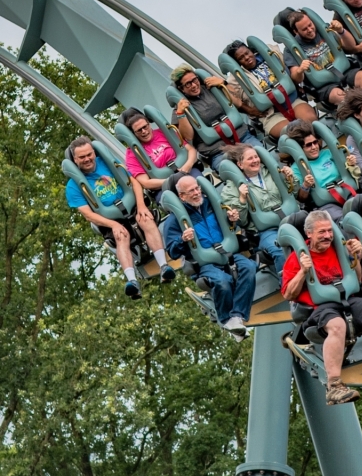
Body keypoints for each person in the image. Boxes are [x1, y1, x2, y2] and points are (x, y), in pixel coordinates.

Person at [281, 210, 362, 403]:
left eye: (329, 231)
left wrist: (355, 256)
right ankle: (334, 386)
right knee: (337, 325)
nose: (327, 236)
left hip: (347, 299)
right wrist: (303, 271)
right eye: (321, 232)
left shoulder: (338, 249)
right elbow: (288, 294)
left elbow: (356, 278)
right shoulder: (297, 257)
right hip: (320, 307)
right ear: (309, 234)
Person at [65, 137, 175, 297]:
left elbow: (133, 182)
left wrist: (141, 205)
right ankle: (132, 281)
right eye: (82, 157)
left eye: (89, 154)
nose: (87, 159)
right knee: (121, 236)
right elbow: (88, 214)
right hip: (109, 219)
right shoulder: (73, 186)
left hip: (132, 205)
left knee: (146, 219)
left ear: (94, 152)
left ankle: (164, 266)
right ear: (75, 159)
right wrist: (113, 225)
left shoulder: (108, 163)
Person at [162, 175, 256, 341]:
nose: (197, 193)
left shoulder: (211, 204)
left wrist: (231, 220)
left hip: (226, 252)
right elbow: (172, 252)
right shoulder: (174, 220)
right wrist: (182, 239)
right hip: (205, 262)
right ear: (182, 196)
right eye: (191, 191)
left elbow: (230, 227)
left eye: (197, 188)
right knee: (223, 281)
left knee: (249, 267)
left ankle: (237, 316)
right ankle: (226, 319)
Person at [169, 64, 261, 169]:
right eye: (188, 84)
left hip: (242, 138)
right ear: (181, 89)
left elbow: (238, 102)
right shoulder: (180, 108)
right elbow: (188, 137)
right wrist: (181, 114)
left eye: (194, 80)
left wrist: (223, 84)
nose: (194, 85)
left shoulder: (212, 89)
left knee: (262, 154)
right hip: (218, 151)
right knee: (230, 170)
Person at [223, 40, 319, 141]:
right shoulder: (236, 79)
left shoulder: (269, 54)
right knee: (294, 132)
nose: (246, 57)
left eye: (247, 53)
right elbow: (235, 101)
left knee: (311, 121)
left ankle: (320, 148)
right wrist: (250, 110)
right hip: (270, 114)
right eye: (241, 58)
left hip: (292, 101)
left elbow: (287, 73)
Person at [219, 144, 292, 273]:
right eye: (250, 158)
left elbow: (294, 194)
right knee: (280, 250)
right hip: (266, 230)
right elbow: (241, 222)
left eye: (256, 157)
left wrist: (290, 179)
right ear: (240, 164)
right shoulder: (230, 189)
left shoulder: (271, 172)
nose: (255, 160)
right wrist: (242, 199)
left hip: (290, 218)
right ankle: (289, 283)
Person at [282, 10, 362, 107]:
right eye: (304, 29)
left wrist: (341, 31)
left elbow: (350, 47)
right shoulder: (291, 50)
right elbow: (295, 77)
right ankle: (361, 112)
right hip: (325, 85)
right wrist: (300, 70)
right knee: (341, 97)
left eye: (310, 25)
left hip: (344, 71)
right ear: (296, 32)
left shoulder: (325, 30)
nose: (310, 30)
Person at [286, 119, 359, 223]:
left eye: (315, 142)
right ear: (300, 149)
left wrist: (351, 164)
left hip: (346, 191)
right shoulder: (296, 168)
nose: (314, 147)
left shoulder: (328, 153)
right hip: (327, 204)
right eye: (308, 145)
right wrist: (306, 185)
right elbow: (301, 199)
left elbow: (351, 174)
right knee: (344, 220)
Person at [120, 108, 200, 197]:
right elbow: (145, 182)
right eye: (139, 130)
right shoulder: (132, 154)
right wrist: (170, 181)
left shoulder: (163, 132)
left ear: (149, 123)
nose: (144, 131)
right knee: (169, 198)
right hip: (163, 186)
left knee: (199, 184)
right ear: (133, 133)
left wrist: (188, 165)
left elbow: (191, 150)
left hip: (186, 171)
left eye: (145, 127)